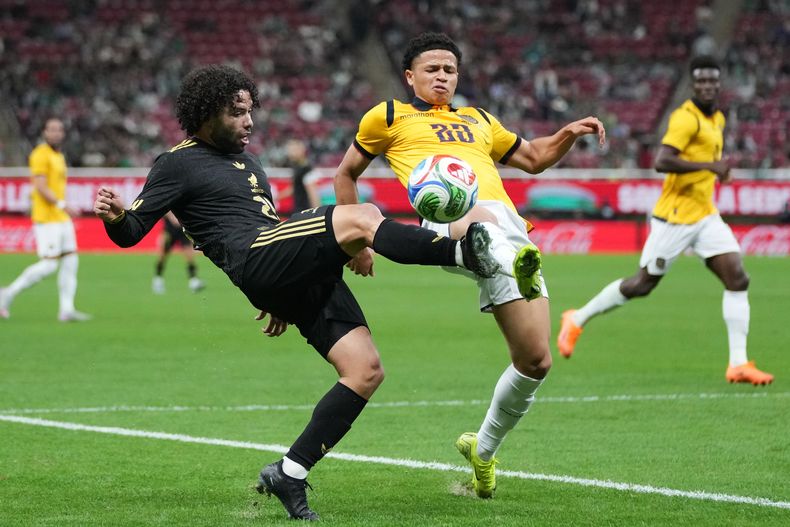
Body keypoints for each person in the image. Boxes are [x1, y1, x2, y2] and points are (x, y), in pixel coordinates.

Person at [93, 64, 514, 521]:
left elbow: (270, 227)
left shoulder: (249, 163)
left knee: (364, 370)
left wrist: (281, 295)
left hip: (279, 266)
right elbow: (132, 231)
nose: (249, 121)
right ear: (206, 113)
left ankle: (289, 472)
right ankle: (464, 254)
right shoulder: (176, 163)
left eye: (250, 111)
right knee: (361, 214)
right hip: (257, 259)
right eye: (237, 112)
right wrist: (115, 215)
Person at [334, 32, 606, 499]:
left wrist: (567, 133)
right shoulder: (389, 116)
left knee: (536, 360)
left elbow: (534, 158)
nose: (442, 76)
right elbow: (345, 174)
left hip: (510, 226)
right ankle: (506, 257)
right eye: (432, 69)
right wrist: (357, 246)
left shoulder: (478, 119)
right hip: (447, 221)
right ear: (410, 76)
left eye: (450, 70)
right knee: (479, 220)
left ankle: (483, 447)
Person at [557, 56, 774, 386]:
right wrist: (710, 167)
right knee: (642, 284)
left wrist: (716, 170)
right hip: (675, 218)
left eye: (712, 81)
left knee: (738, 279)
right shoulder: (684, 119)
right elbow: (662, 161)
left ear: (719, 83)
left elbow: (703, 161)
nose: (706, 86)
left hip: (705, 214)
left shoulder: (717, 117)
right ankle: (577, 318)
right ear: (692, 84)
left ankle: (739, 364)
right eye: (700, 81)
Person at [0, 118, 90, 322]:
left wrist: (62, 208)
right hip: (47, 217)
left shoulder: (58, 155)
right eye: (52, 129)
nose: (56, 133)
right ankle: (7, 293)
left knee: (70, 260)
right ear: (44, 132)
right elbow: (40, 186)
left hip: (61, 217)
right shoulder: (40, 154)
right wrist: (62, 205)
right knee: (49, 265)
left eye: (59, 129)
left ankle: (66, 310)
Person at [152, 211, 205, 294]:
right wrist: (172, 217)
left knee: (189, 254)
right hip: (170, 229)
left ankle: (193, 280)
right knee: (163, 255)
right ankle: (158, 279)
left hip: (182, 228)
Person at [277, 139, 321, 214]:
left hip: (305, 212)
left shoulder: (307, 170)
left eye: (293, 150)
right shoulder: (297, 168)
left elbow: (313, 194)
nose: (290, 153)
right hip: (298, 211)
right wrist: (274, 197)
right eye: (289, 150)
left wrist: (317, 214)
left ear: (301, 151)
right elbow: (294, 188)